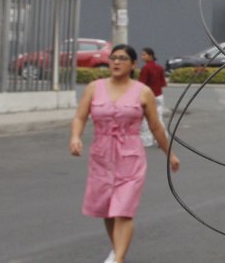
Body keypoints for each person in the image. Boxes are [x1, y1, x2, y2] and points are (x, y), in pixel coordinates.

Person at [70, 44, 179, 263]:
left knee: (123, 209)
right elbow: (80, 116)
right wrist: (75, 137)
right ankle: (117, 251)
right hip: (101, 154)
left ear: (132, 64)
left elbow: (156, 127)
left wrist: (170, 154)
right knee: (107, 208)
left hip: (130, 155)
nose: (116, 62)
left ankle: (118, 259)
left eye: (122, 58)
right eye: (113, 58)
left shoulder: (143, 92)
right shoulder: (94, 87)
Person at [137, 47, 167, 147]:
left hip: (149, 97)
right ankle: (162, 138)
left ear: (150, 56)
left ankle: (146, 140)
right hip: (159, 96)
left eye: (144, 55)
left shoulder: (145, 69)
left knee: (145, 119)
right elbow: (163, 83)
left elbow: (142, 85)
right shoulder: (160, 68)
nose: (142, 57)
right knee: (159, 118)